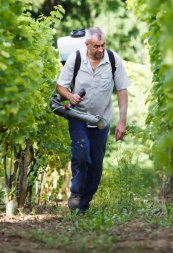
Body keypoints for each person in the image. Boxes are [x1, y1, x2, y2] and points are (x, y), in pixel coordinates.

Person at [56, 27, 129, 213]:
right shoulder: (76, 59)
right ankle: (76, 192)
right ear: (86, 44)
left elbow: (122, 90)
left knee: (96, 165)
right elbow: (60, 87)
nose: (100, 50)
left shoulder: (113, 60)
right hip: (78, 116)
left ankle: (83, 205)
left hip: (100, 121)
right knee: (81, 155)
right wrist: (70, 96)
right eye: (96, 46)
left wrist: (122, 121)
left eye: (103, 45)